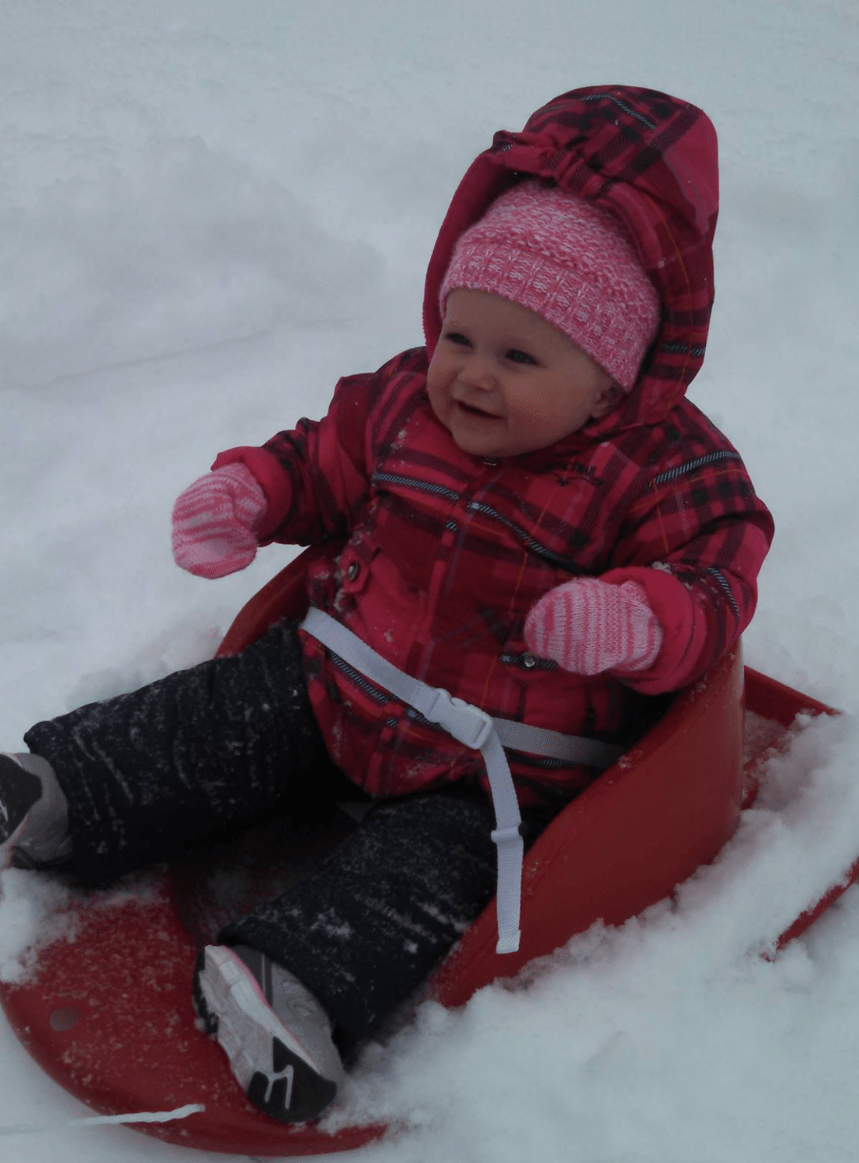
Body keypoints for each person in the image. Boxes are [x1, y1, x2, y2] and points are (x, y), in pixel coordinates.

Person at [0, 84, 773, 1124]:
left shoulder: (665, 475)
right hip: (340, 684)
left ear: (609, 377)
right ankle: (63, 792)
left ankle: (291, 983)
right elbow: (318, 461)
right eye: (461, 337)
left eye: (518, 356)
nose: (471, 377)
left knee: (428, 874)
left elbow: (717, 581)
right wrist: (251, 493)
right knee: (225, 711)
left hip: (495, 770)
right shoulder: (403, 403)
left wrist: (635, 618)